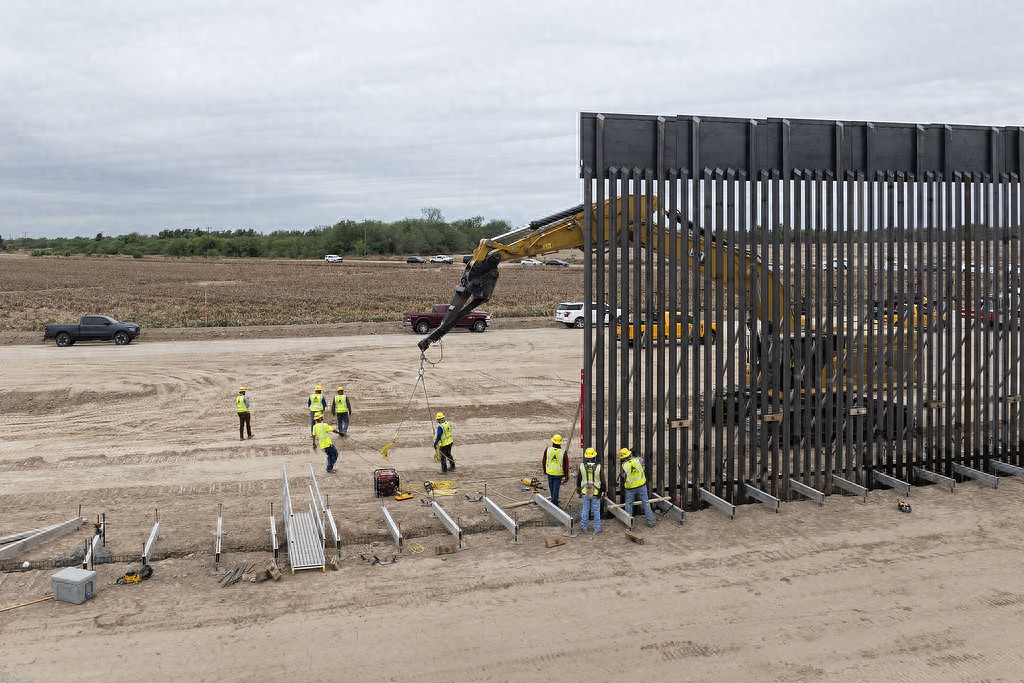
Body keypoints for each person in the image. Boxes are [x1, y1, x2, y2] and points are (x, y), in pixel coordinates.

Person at [619, 447, 655, 527]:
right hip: (641, 485)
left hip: (630, 488)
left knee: (629, 504)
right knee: (645, 502)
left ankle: (629, 523)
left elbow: (623, 476)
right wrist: (634, 454)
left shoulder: (624, 465)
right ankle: (650, 522)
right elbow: (641, 458)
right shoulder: (638, 460)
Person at [576, 447, 604, 534]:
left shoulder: (581, 466)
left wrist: (578, 489)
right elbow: (603, 480)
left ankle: (584, 528)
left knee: (585, 509)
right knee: (596, 511)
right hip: (596, 492)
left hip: (585, 491)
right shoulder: (598, 467)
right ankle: (597, 529)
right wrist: (603, 490)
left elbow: (578, 479)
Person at [541, 434, 569, 506]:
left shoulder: (548, 450)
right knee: (556, 489)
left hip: (549, 472)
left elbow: (544, 461)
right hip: (558, 474)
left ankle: (554, 500)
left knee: (552, 488)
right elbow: (566, 465)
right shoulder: (563, 452)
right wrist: (566, 475)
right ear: (560, 443)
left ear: (553, 442)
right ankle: (554, 503)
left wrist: (545, 470)